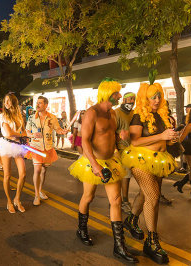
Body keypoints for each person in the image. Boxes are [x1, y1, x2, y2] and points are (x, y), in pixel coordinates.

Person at [68, 79, 138, 263]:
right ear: (108, 93)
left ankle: (119, 247)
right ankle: (81, 229)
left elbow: (111, 136)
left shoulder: (113, 114)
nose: (120, 96)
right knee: (88, 197)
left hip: (111, 162)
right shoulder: (92, 112)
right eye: (117, 93)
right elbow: (84, 141)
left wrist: (120, 138)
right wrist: (95, 165)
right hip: (92, 162)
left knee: (116, 200)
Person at [122, 80, 178, 264]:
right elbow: (135, 141)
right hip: (140, 160)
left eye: (159, 96)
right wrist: (162, 136)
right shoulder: (138, 116)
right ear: (145, 98)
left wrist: (171, 139)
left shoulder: (163, 115)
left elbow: (164, 140)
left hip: (159, 160)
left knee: (146, 195)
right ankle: (151, 241)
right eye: (152, 97)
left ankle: (131, 220)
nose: (156, 100)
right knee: (153, 196)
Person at [26, 96, 68, 206]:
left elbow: (57, 129)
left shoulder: (52, 118)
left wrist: (62, 131)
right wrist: (33, 134)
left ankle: (40, 190)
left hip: (48, 148)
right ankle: (36, 195)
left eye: (40, 103)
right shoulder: (31, 118)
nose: (37, 105)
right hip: (35, 147)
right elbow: (26, 131)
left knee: (44, 170)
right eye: (37, 103)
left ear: (46, 105)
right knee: (38, 169)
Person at [0, 93, 28, 214]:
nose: (6, 103)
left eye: (8, 101)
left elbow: (23, 130)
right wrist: (24, 134)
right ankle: (9, 201)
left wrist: (27, 137)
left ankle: (17, 199)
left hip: (18, 146)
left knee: (23, 174)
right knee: (7, 175)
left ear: (14, 102)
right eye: (5, 101)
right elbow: (8, 133)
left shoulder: (19, 115)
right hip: (6, 144)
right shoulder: (3, 116)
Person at [114, 92, 136, 213]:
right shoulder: (117, 112)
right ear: (124, 99)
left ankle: (119, 199)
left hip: (133, 149)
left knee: (128, 175)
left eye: (133, 99)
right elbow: (112, 131)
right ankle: (124, 201)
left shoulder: (134, 113)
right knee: (125, 175)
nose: (131, 101)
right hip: (121, 149)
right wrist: (115, 148)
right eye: (129, 99)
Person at [177, 103, 191, 173]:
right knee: (185, 152)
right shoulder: (185, 117)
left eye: (187, 107)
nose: (185, 109)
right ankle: (184, 167)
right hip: (185, 137)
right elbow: (182, 125)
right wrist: (177, 130)